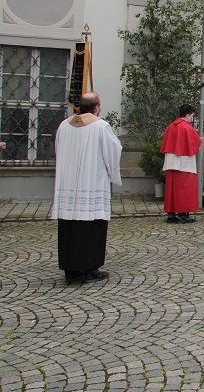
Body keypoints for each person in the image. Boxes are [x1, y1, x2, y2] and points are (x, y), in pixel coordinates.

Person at [52, 93, 122, 283]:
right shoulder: (101, 126)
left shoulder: (64, 125)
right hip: (91, 183)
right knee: (91, 226)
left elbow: (58, 150)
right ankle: (90, 269)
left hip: (68, 185)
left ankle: (71, 271)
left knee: (70, 226)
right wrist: (113, 174)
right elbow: (113, 151)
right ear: (97, 108)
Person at [160, 104, 201, 224]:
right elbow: (195, 143)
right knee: (184, 188)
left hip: (171, 161)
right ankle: (183, 215)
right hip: (184, 162)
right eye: (192, 116)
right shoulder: (187, 128)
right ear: (188, 115)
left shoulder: (170, 127)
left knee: (171, 189)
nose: (192, 118)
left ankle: (171, 215)